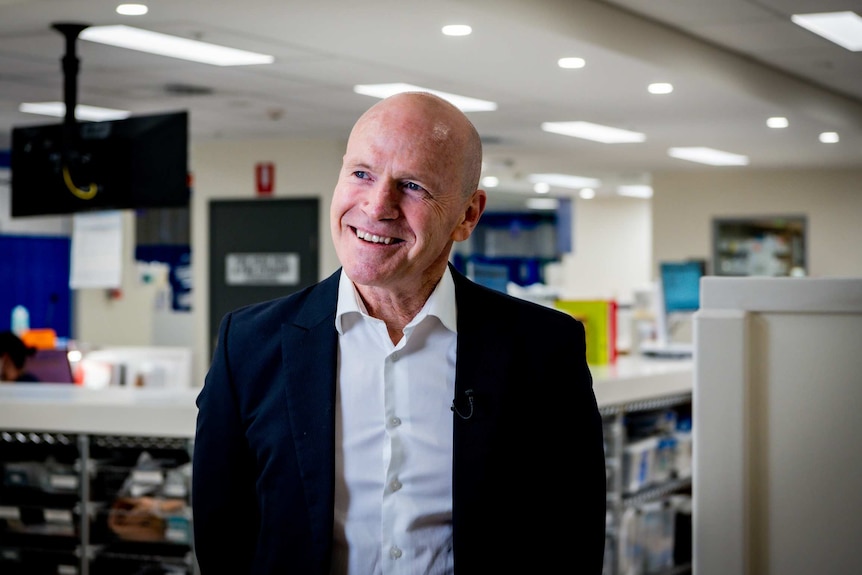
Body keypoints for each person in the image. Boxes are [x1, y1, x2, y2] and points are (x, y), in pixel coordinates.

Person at [192, 91, 606, 574]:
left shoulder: (542, 350)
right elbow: (222, 534)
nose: (377, 205)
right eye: (361, 174)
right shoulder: (247, 344)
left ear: (468, 215)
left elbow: (572, 537)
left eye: (412, 186)